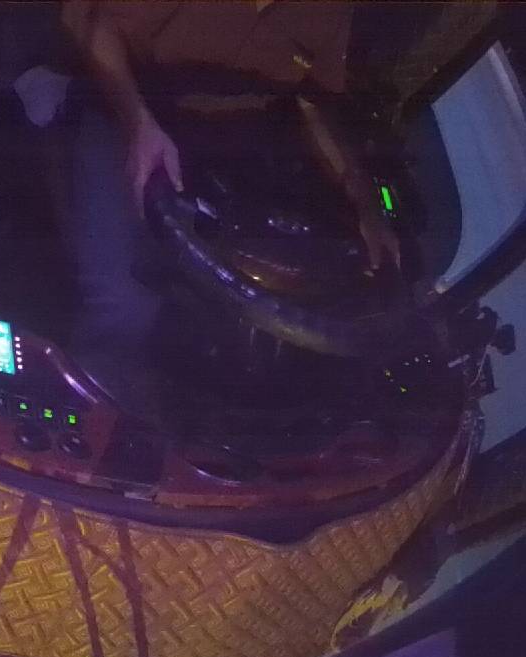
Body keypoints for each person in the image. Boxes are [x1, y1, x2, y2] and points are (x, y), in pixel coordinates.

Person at [60, 1, 403, 391]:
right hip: (130, 115)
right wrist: (138, 122)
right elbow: (99, 27)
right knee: (122, 302)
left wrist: (364, 200)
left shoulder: (330, 11)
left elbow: (313, 104)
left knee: (257, 325)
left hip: (229, 157)